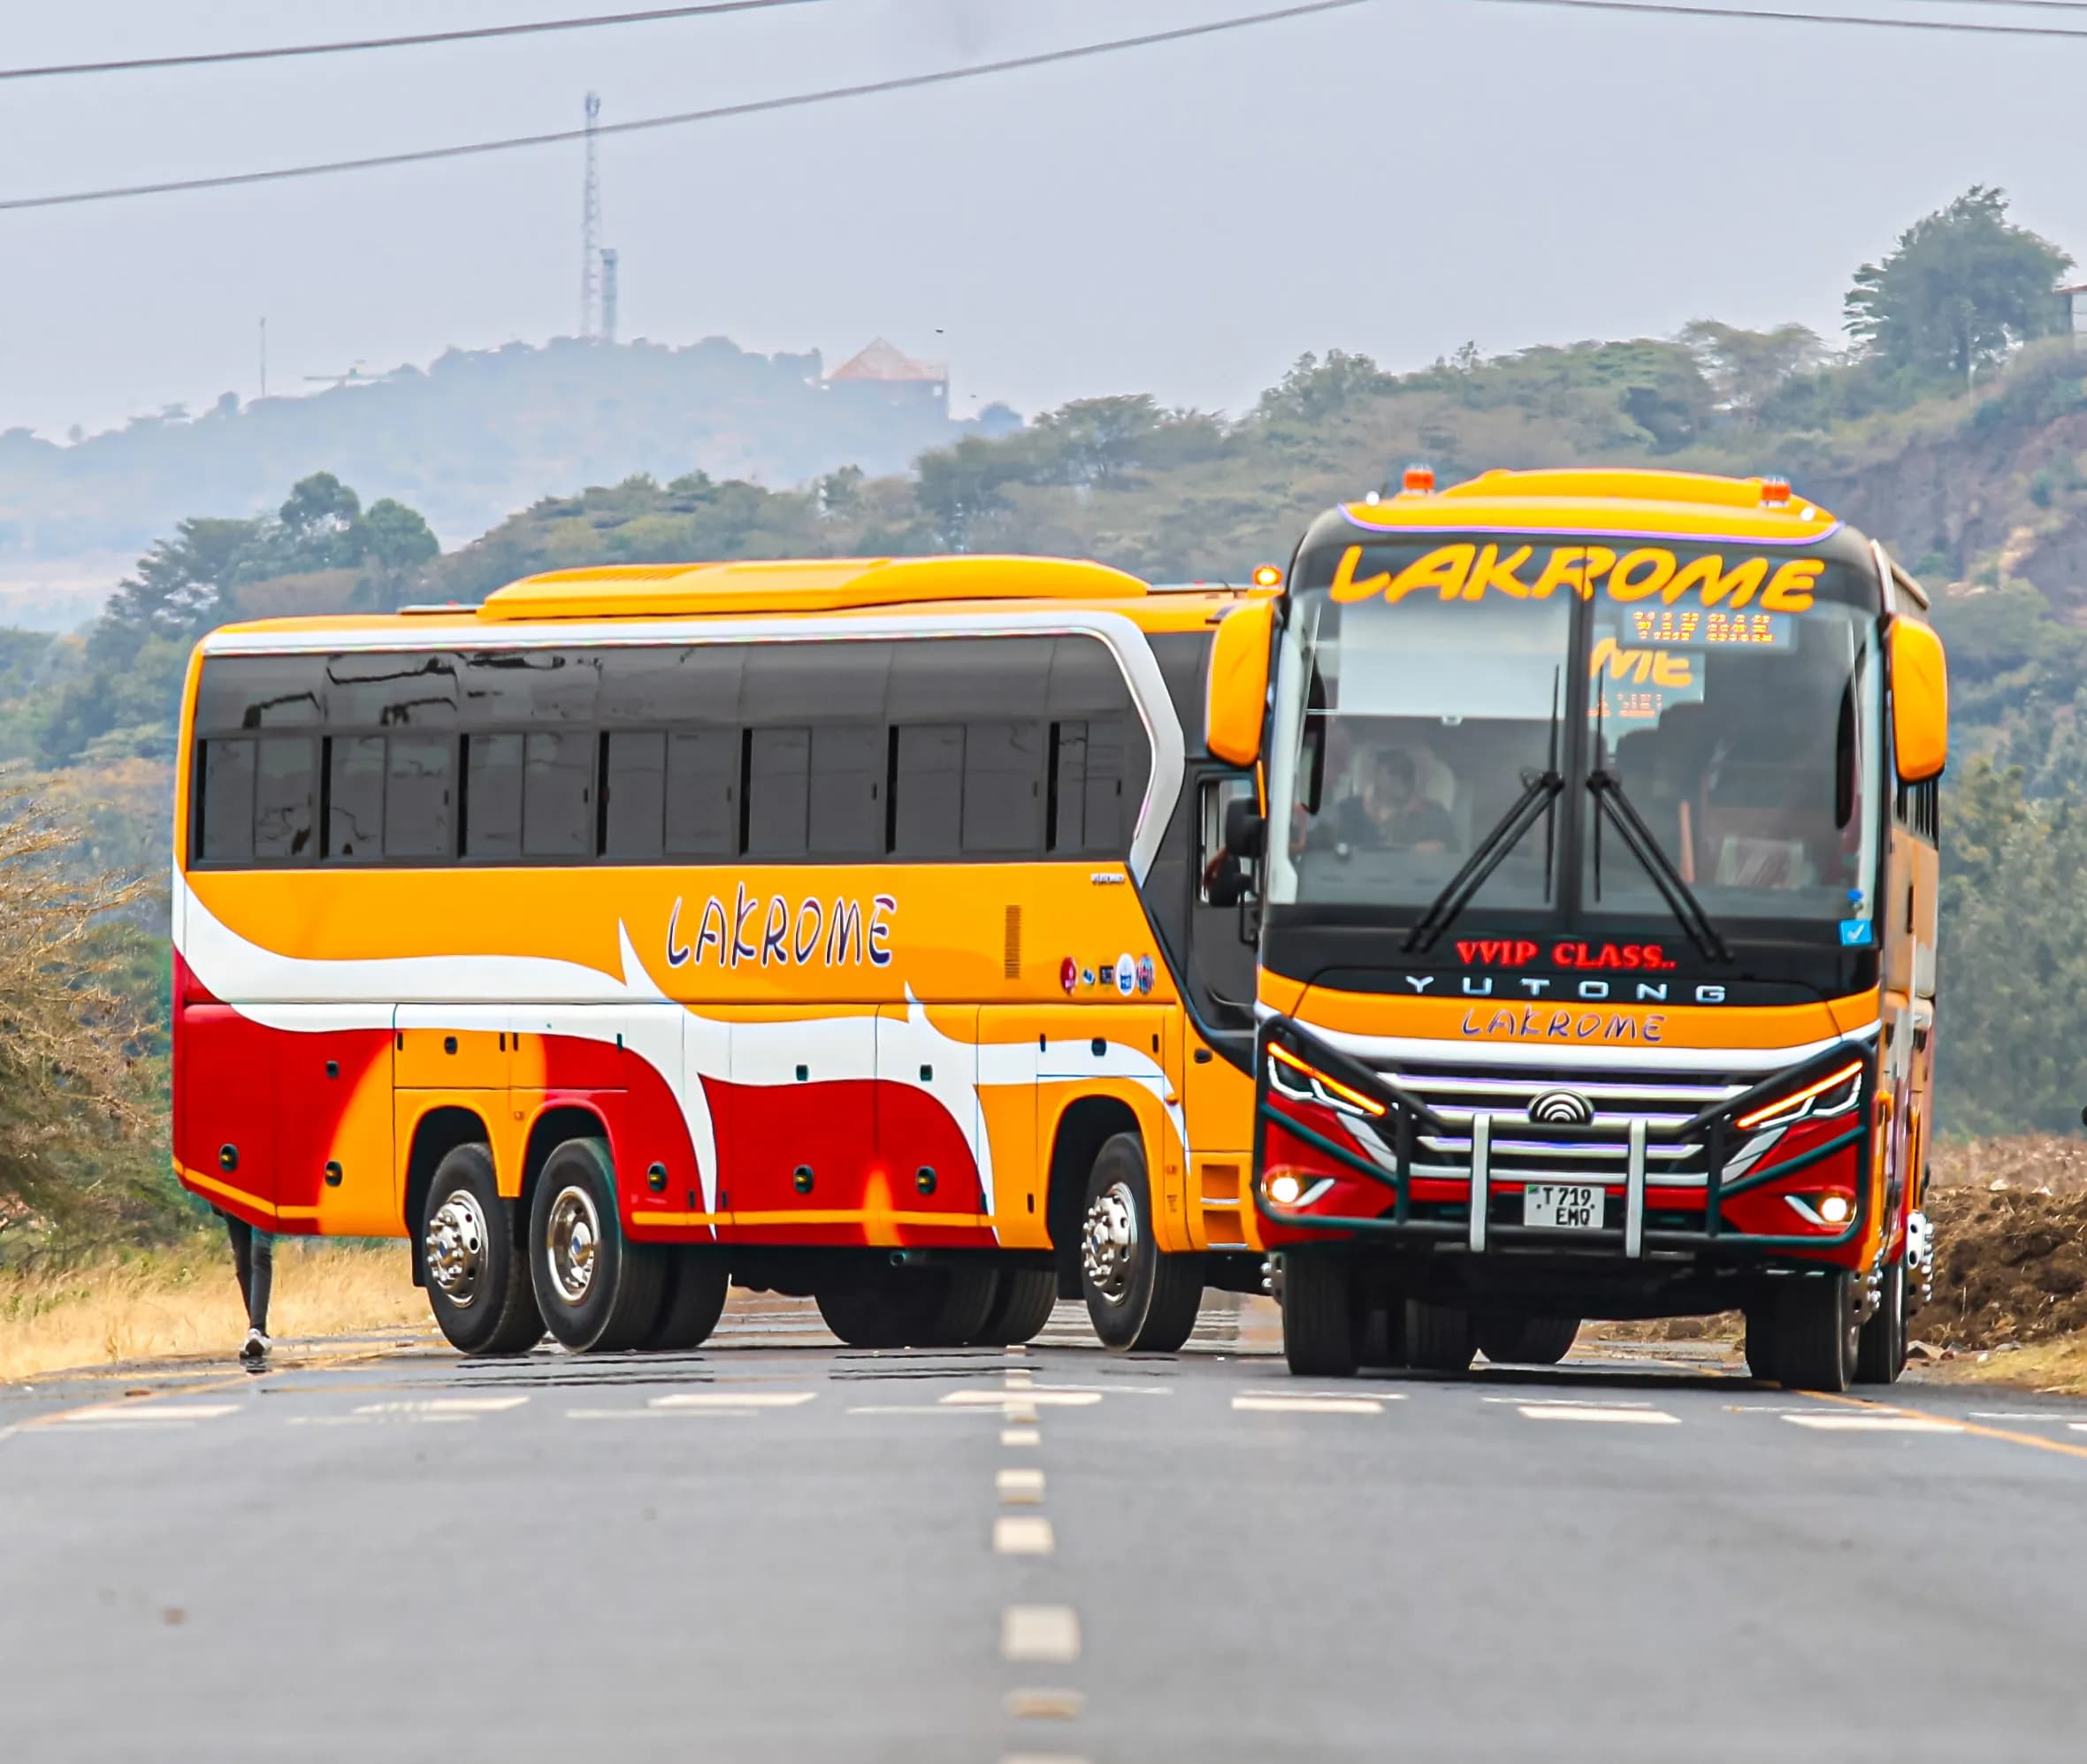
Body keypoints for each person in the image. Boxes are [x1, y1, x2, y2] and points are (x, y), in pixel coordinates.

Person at [1321, 747, 1458, 855]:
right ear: (1376, 775)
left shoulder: (1435, 816)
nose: (1402, 778)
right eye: (1395, 770)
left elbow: (1455, 860)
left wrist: (1437, 851)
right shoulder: (1346, 812)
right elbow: (1323, 851)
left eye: (1408, 771)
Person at [217, 1208, 274, 1370]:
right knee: (242, 1259)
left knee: (260, 1252)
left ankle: (257, 1329)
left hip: (266, 1198)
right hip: (235, 1197)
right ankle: (257, 1330)